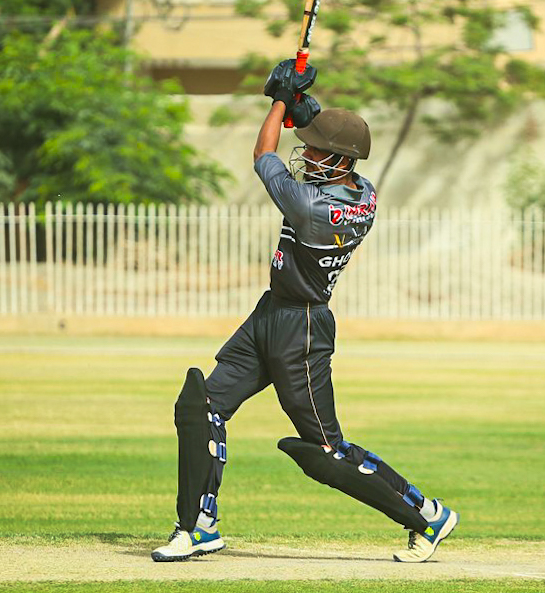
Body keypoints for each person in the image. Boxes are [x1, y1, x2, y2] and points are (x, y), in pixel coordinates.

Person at [151, 59, 459, 564]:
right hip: (270, 315)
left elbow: (263, 154)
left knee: (326, 452)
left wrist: (279, 100)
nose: (307, 155)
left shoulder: (312, 209)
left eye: (316, 151)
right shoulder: (363, 193)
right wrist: (301, 108)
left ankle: (427, 515)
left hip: (303, 329)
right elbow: (316, 136)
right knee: (201, 408)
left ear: (339, 162)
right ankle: (197, 526)